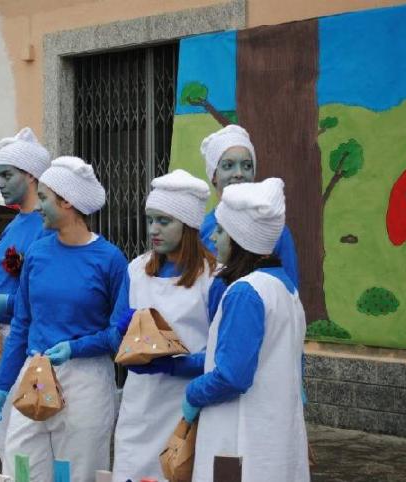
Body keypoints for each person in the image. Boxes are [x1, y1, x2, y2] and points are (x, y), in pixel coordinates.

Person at [0, 156, 128, 482]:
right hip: (35, 370)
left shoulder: (110, 260)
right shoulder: (37, 253)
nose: (39, 207)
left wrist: (75, 348)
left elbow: (118, 333)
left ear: (67, 202)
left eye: (44, 198)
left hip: (87, 379)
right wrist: (2, 387)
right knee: (22, 468)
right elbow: (22, 324)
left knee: (79, 473)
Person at [182, 178, 309, 482]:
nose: (213, 237)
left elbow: (232, 376)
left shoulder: (245, 292)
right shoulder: (285, 287)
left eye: (221, 230)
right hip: (272, 438)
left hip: (240, 442)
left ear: (241, 238)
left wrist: (192, 393)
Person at [111, 170, 217, 481]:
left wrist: (174, 365)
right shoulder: (137, 270)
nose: (153, 230)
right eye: (150, 220)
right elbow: (114, 334)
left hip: (185, 406)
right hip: (139, 407)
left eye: (164, 221)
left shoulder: (213, 278)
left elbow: (219, 355)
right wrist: (124, 332)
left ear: (188, 225)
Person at [0, 127, 51, 471]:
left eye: (6, 175)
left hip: (29, 343)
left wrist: (6, 304)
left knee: (25, 448)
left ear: (31, 175)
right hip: (3, 339)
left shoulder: (44, 226)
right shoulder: (14, 223)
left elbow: (46, 296)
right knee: (6, 440)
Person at [198, 125, 299, 286]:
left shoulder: (273, 230)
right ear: (214, 175)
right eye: (228, 165)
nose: (239, 173)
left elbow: (288, 289)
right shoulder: (201, 231)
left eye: (247, 166)